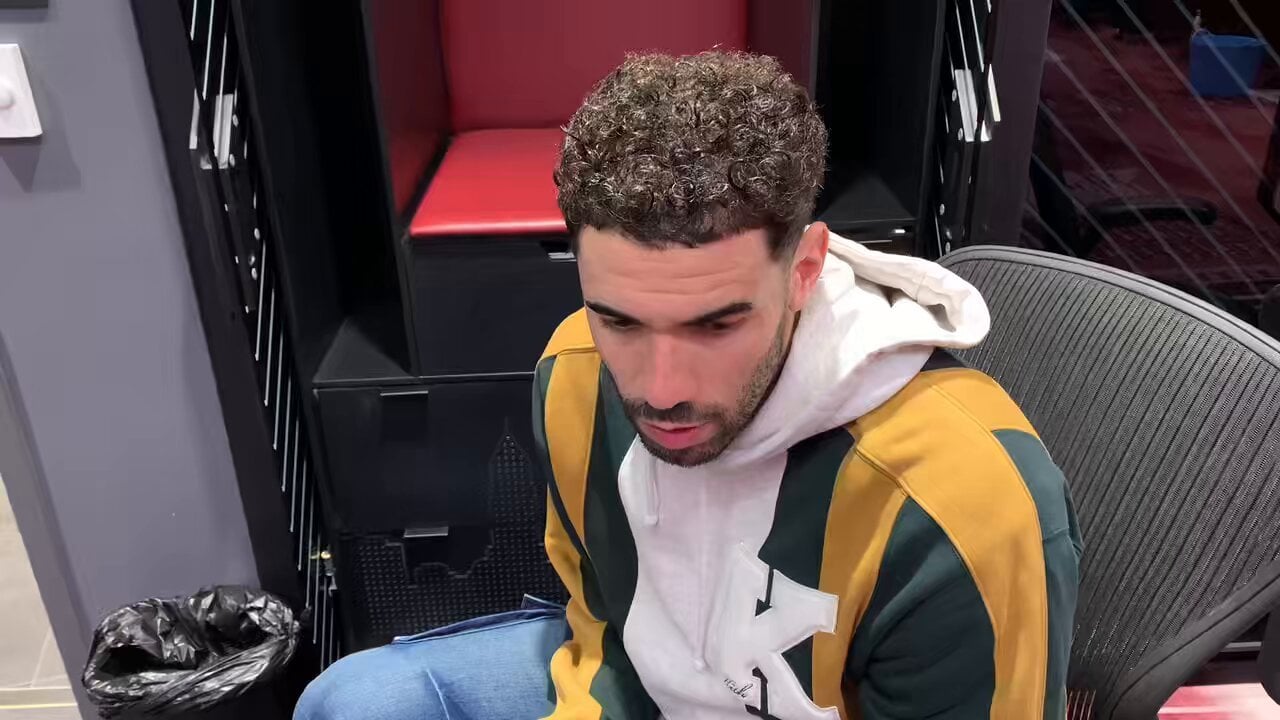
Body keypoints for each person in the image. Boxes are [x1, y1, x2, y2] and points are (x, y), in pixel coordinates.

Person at [295, 50, 1081, 720]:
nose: (661, 390)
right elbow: (601, 626)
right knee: (354, 701)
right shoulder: (574, 375)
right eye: (620, 320)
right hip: (647, 684)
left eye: (716, 325)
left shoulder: (965, 506)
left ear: (805, 269)